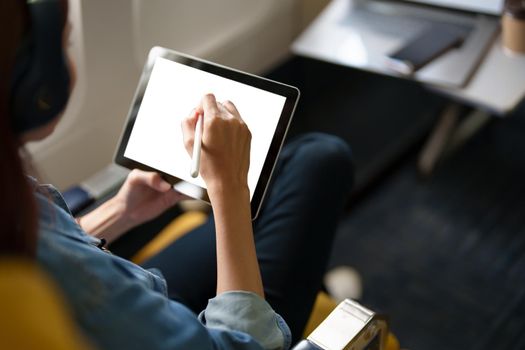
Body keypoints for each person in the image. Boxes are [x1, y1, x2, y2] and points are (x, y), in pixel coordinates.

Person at [1, 0, 354, 349]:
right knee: (322, 158)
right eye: (67, 44)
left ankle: (308, 279)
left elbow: (41, 245)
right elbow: (248, 344)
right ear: (34, 88)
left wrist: (122, 211)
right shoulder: (81, 292)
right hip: (169, 325)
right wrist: (230, 191)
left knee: (302, 163)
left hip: (130, 289)